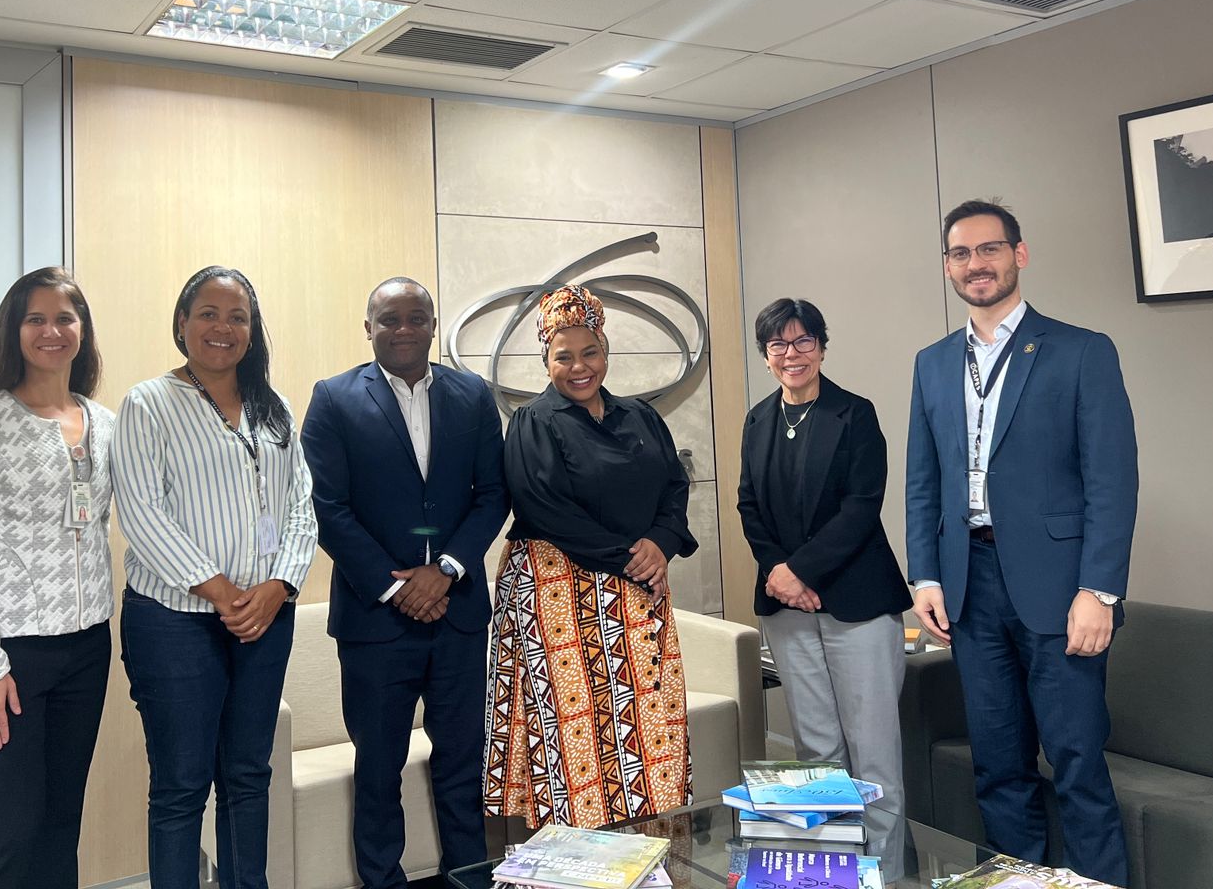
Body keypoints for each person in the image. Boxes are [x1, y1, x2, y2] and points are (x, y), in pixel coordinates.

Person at [905, 200, 1138, 887]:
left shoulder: (1081, 350)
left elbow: (1112, 480)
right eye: (961, 253)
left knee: (1077, 764)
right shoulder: (932, 363)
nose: (975, 264)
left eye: (990, 249)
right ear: (947, 267)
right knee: (998, 766)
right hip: (969, 585)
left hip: (1060, 588)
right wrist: (926, 575)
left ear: (1019, 254)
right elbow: (924, 480)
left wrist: (1099, 591)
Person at [112, 266, 317, 889]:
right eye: (208, 313)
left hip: (265, 617)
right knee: (181, 786)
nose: (222, 328)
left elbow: (301, 505)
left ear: (252, 331)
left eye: (237, 317)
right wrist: (224, 592)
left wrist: (279, 586)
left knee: (249, 777)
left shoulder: (273, 408)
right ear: (182, 324)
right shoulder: (148, 403)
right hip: (173, 623)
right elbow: (142, 513)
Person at [302, 277, 508, 889]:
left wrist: (445, 570)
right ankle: (382, 880)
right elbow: (326, 507)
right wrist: (397, 587)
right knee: (378, 767)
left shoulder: (471, 394)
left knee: (463, 761)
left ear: (433, 326)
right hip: (375, 619)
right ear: (368, 328)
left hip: (458, 612)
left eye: (417, 318)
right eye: (389, 319)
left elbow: (493, 494)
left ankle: (468, 877)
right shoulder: (334, 398)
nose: (404, 330)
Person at [486, 283, 698, 829]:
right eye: (564, 357)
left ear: (606, 352)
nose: (579, 367)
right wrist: (632, 557)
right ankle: (577, 864)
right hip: (559, 596)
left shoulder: (640, 416)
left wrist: (662, 543)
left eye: (590, 353)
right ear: (546, 360)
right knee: (575, 738)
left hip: (638, 592)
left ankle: (654, 853)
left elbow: (674, 486)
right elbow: (544, 507)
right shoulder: (534, 421)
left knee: (648, 726)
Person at [0, 267, 115, 889]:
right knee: (10, 834)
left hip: (86, 651)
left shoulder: (103, 423)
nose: (51, 331)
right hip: (7, 659)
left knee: (61, 827)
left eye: (64, 318)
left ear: (82, 331)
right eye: (35, 319)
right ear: (13, 331)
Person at [736, 298, 912, 875]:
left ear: (822, 346)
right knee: (817, 754)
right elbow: (749, 506)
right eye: (779, 345)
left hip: (857, 604)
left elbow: (861, 507)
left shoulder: (854, 414)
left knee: (873, 756)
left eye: (803, 341)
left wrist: (801, 573)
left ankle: (881, 876)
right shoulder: (758, 420)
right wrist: (779, 575)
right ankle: (833, 875)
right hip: (787, 609)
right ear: (766, 355)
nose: (792, 354)